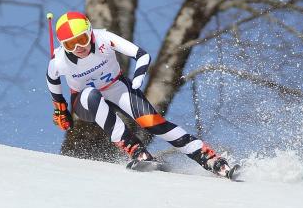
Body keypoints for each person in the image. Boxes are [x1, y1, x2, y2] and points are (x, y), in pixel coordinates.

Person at [46, 11, 236, 177]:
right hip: (84, 101)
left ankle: (208, 157)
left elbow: (142, 55)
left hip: (116, 86)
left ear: (90, 33)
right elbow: (52, 79)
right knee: (91, 94)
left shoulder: (104, 38)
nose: (79, 47)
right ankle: (135, 149)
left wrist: (138, 76)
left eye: (82, 39)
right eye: (70, 44)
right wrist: (60, 109)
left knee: (152, 122)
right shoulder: (59, 60)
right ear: (63, 45)